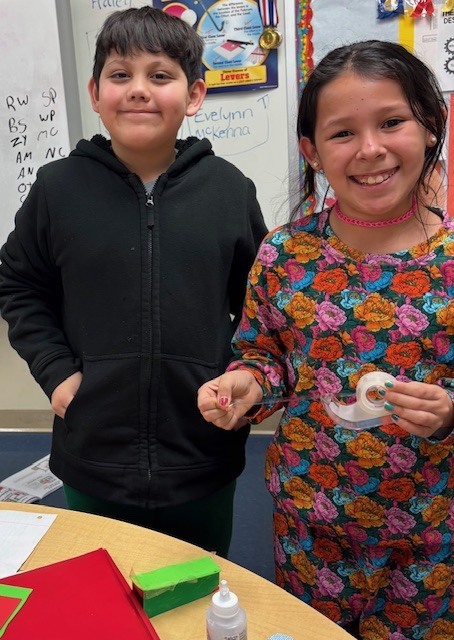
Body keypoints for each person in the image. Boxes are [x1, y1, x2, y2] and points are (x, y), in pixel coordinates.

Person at [198, 40, 453, 638]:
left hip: (430, 532)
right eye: (342, 133)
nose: (370, 149)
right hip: (312, 521)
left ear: (431, 126)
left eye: (392, 122)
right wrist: (245, 384)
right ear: (311, 150)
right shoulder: (287, 252)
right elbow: (269, 357)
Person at [0, 7, 267, 557]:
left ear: (194, 95)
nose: (139, 90)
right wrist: (56, 373)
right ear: (95, 93)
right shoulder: (57, 189)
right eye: (121, 76)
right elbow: (20, 284)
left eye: (160, 76)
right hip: (94, 451)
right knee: (105, 587)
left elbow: (261, 305)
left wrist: (240, 376)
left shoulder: (230, 191)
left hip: (202, 451)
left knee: (199, 588)